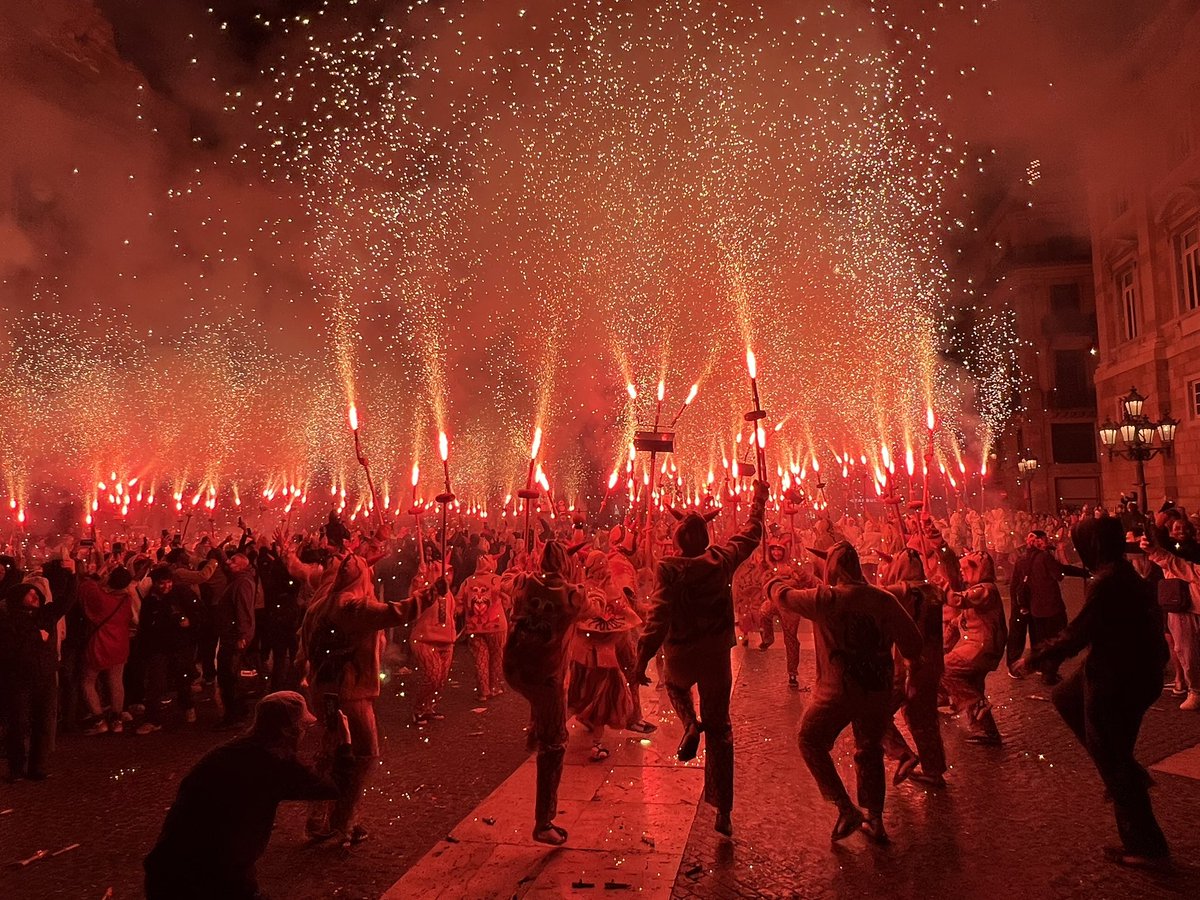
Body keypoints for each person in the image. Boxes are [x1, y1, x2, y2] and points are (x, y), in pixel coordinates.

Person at [1013, 518, 1169, 868]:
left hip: (1121, 676)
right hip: (1121, 668)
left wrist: (1034, 658)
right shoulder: (1118, 573)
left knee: (1113, 756)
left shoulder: (1110, 581)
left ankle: (1146, 846)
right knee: (1066, 696)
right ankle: (1121, 769)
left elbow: (1079, 632)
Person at [635, 479, 769, 838]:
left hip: (680, 653)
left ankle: (690, 724)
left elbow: (659, 615)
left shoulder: (669, 569)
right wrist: (758, 500)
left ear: (677, 541)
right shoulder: (722, 559)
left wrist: (642, 656)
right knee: (721, 730)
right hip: (715, 656)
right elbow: (751, 534)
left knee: (677, 688)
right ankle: (723, 811)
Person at [767, 541, 922, 844]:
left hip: (836, 691)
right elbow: (913, 646)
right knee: (870, 750)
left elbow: (785, 598)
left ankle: (845, 807)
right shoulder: (884, 599)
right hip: (877, 690)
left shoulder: (826, 599)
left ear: (833, 569)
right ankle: (875, 820)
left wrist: (772, 581)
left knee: (810, 739)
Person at [144, 691, 353, 899]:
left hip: (166, 867)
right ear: (288, 730)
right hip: (214, 878)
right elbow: (336, 787)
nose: (304, 732)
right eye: (303, 726)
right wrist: (345, 745)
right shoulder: (278, 764)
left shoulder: (226, 752)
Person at [291, 515, 407, 846]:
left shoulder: (322, 599)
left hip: (322, 686)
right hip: (350, 691)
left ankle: (317, 820)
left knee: (329, 752)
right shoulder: (353, 605)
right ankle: (344, 819)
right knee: (364, 754)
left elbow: (304, 644)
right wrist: (431, 594)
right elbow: (397, 613)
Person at [504, 540, 586, 845]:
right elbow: (591, 605)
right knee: (556, 745)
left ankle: (536, 727)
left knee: (540, 709)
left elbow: (508, 585)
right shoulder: (572, 596)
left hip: (514, 669)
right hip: (546, 676)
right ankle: (544, 822)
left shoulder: (524, 583)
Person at [878, 549, 947, 788]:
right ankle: (934, 770)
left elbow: (871, 596)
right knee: (924, 718)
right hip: (933, 664)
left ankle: (901, 753)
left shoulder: (905, 592)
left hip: (908, 668)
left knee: (874, 715)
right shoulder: (934, 590)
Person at [0, 570, 74, 781]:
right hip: (18, 679)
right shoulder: (7, 621)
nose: (35, 596)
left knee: (43, 722)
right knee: (19, 723)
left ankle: (37, 766)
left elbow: (67, 600)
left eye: (37, 594)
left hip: (45, 676)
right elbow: (12, 648)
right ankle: (16, 768)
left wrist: (70, 575)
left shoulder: (46, 614)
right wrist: (36, 636)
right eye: (30, 593)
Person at [568, 551, 640, 761]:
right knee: (602, 702)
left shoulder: (582, 589)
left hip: (581, 656)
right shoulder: (603, 590)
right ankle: (596, 744)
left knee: (576, 696)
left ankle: (560, 733)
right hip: (602, 659)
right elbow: (622, 616)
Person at [942, 550, 1006, 745]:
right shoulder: (978, 591)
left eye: (965, 569)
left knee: (943, 668)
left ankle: (978, 704)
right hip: (978, 647)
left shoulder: (985, 590)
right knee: (972, 684)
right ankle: (987, 732)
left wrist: (942, 587)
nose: (962, 573)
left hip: (982, 647)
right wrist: (944, 644)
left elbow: (959, 601)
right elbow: (958, 621)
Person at [1007, 530, 1088, 683]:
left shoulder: (1023, 559)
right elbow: (1059, 574)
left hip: (1034, 608)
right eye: (1045, 539)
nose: (1048, 541)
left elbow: (1016, 583)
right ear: (1040, 541)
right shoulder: (1045, 557)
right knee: (1056, 638)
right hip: (1051, 606)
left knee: (1040, 638)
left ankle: (1039, 667)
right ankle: (1048, 672)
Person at [137, 565, 200, 732]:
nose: (166, 586)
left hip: (179, 645)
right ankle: (153, 719)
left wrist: (189, 622)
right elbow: (144, 625)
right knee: (155, 683)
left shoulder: (181, 594)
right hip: (158, 646)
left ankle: (187, 705)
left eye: (168, 582)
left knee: (182, 678)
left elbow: (200, 613)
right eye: (162, 583)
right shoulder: (151, 600)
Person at [78, 566, 135, 734]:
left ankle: (99, 720)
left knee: (88, 681)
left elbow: (86, 586)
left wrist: (99, 574)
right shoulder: (126, 599)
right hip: (120, 644)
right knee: (116, 681)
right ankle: (117, 721)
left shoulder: (100, 598)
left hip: (100, 644)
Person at [457, 553, 507, 700]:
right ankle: (494, 687)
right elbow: (508, 599)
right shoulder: (498, 580)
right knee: (497, 656)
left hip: (474, 627)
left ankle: (483, 691)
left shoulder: (467, 582)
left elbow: (458, 603)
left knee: (481, 658)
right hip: (497, 625)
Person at [215, 553, 257, 728]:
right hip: (231, 634)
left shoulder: (242, 584)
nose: (228, 562)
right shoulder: (237, 580)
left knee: (230, 677)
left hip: (234, 636)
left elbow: (243, 610)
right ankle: (240, 710)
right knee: (233, 675)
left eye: (233, 561)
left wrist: (242, 635)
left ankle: (234, 716)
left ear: (241, 566)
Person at [410, 574, 457, 724]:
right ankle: (418, 710)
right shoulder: (422, 587)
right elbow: (418, 599)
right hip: (425, 639)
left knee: (441, 679)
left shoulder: (447, 592)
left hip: (446, 640)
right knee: (432, 675)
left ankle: (429, 708)